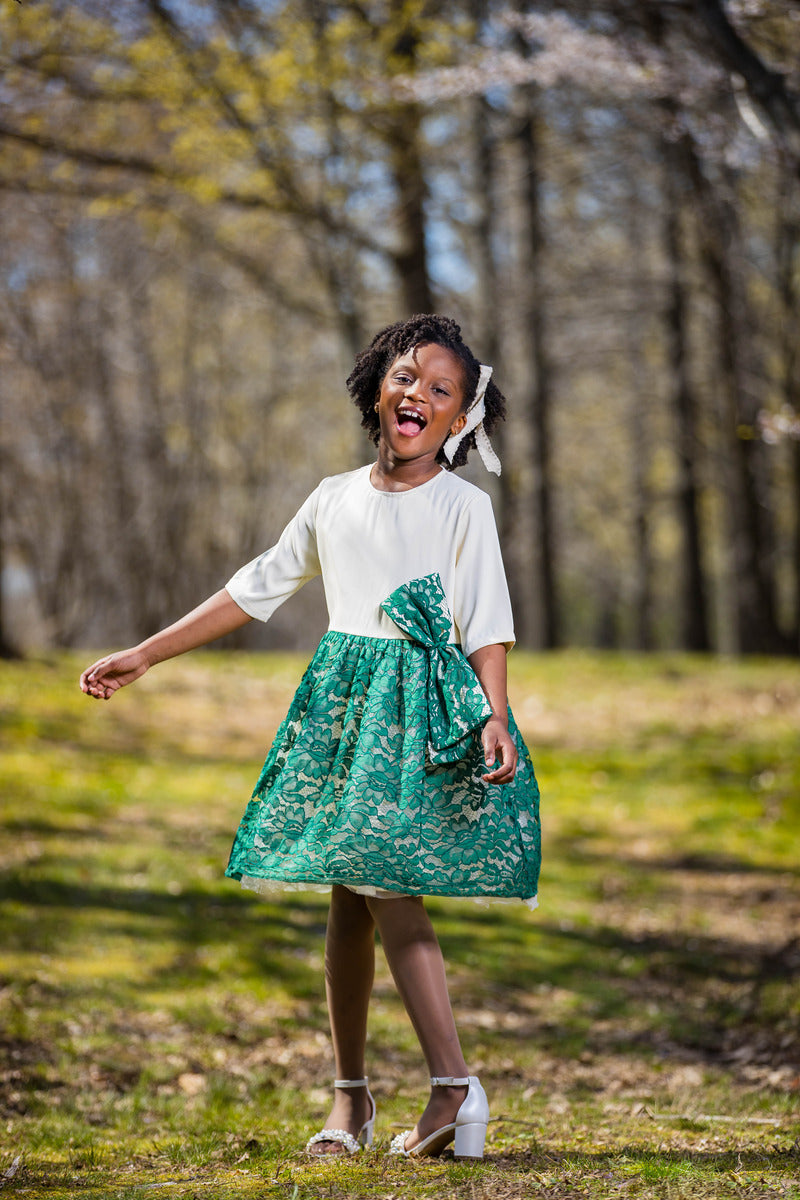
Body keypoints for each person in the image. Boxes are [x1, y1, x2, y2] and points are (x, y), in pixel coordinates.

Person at [80, 314, 541, 1161]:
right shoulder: (333, 496)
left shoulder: (462, 507)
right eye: (406, 377)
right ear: (376, 387)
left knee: (385, 881)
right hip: (342, 711)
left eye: (441, 390)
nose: (419, 396)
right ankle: (353, 1096)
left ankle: (453, 1085)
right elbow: (254, 588)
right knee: (348, 898)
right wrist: (147, 652)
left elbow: (487, 622)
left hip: (420, 714)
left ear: (460, 420)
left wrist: (496, 712)